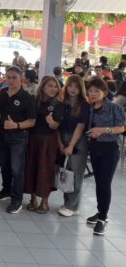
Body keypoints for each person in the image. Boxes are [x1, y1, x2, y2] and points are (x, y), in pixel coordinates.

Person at [84, 78, 126, 236]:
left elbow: (121, 128)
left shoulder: (114, 107)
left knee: (104, 183)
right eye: (90, 91)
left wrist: (103, 130)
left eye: (97, 91)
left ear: (105, 92)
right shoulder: (90, 107)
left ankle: (103, 218)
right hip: (95, 149)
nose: (93, 94)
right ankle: (100, 211)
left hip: (110, 149)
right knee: (98, 182)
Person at [0, 66, 36, 214]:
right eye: (8, 77)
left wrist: (16, 125)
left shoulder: (27, 98)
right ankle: (6, 190)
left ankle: (17, 199)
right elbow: (2, 113)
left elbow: (32, 121)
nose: (11, 81)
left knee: (17, 169)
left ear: (21, 79)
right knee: (4, 165)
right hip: (3, 135)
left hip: (19, 137)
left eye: (14, 78)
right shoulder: (3, 92)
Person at [24, 76, 63, 214]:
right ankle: (32, 199)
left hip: (48, 141)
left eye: (55, 86)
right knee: (31, 167)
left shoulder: (58, 104)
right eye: (50, 86)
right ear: (42, 87)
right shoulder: (34, 100)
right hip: (33, 139)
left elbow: (56, 125)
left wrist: (51, 122)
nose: (53, 89)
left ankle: (45, 201)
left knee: (46, 170)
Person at [57, 75, 90, 217]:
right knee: (67, 173)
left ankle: (72, 206)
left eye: (76, 87)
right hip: (63, 137)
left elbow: (81, 126)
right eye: (70, 85)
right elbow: (57, 125)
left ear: (81, 88)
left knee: (76, 174)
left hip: (78, 140)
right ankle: (68, 204)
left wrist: (71, 145)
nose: (73, 89)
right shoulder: (62, 103)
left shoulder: (84, 104)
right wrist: (60, 143)